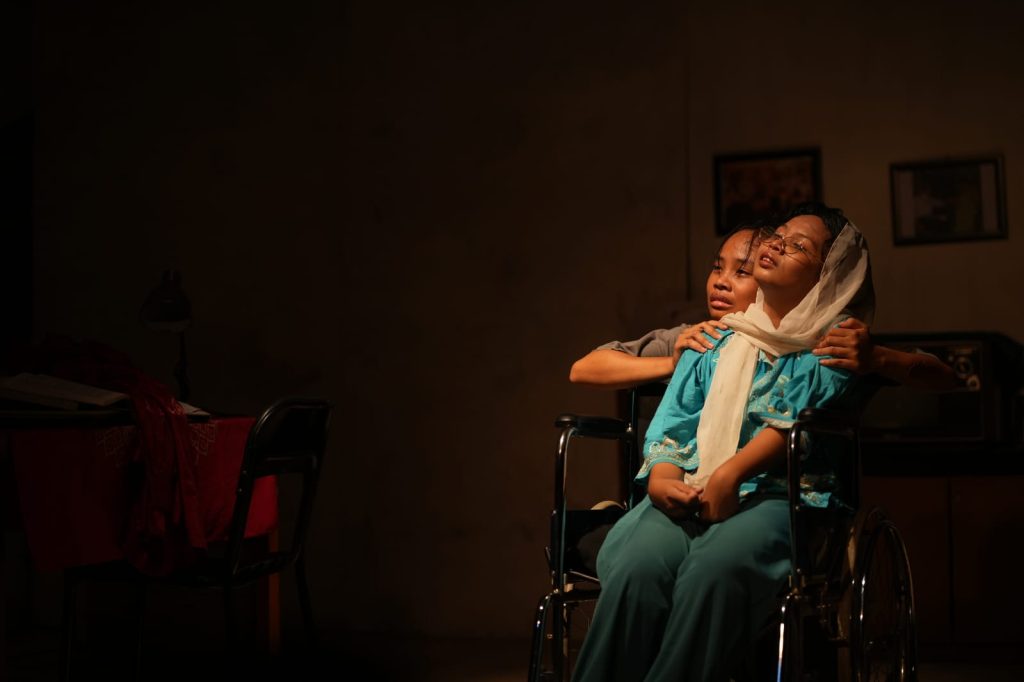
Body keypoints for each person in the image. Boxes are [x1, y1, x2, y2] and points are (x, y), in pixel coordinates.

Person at [570, 202, 880, 682]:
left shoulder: (835, 343)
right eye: (778, 236)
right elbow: (672, 422)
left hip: (777, 493)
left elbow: (793, 423)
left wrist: (731, 472)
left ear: (827, 275)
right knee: (637, 565)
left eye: (798, 246)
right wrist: (663, 477)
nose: (777, 246)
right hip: (691, 482)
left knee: (714, 569)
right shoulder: (708, 341)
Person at [568, 224, 956, 392]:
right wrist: (673, 363)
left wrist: (876, 359)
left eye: (742, 271)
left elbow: (946, 379)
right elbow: (584, 369)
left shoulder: (818, 339)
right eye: (717, 267)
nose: (720, 281)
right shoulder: (699, 339)